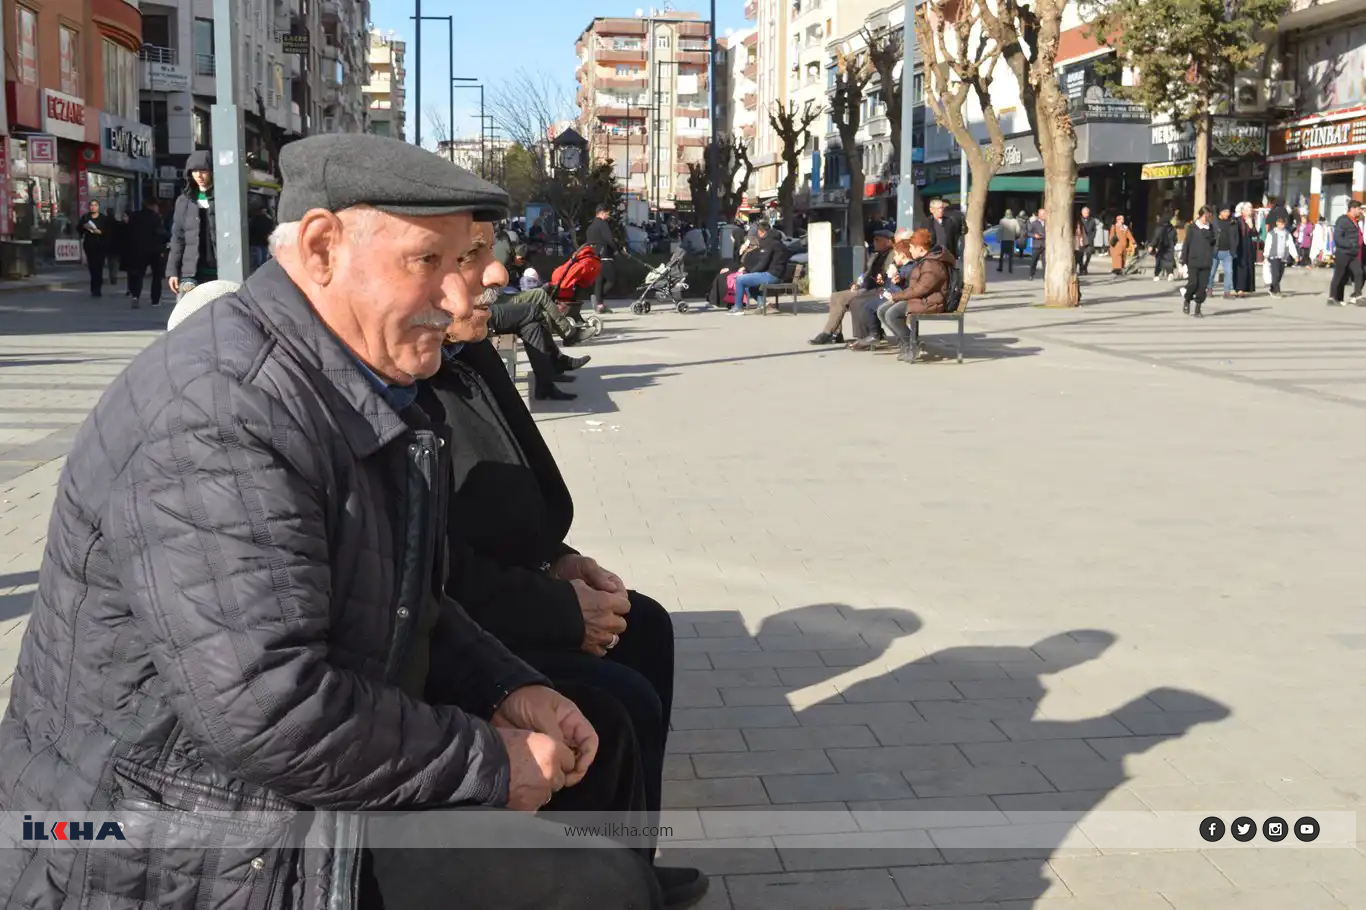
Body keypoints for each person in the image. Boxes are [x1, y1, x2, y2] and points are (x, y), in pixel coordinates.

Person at [0, 133, 667, 910]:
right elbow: (268, 709)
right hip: (152, 832)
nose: (462, 298)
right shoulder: (222, 410)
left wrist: (508, 688)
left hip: (255, 791)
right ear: (321, 248)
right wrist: (489, 762)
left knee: (593, 808)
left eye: (472, 260)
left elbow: (407, 594)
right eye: (433, 262)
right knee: (589, 885)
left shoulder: (354, 381)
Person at [431, 263, 708, 909]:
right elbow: (435, 572)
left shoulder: (467, 352)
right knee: (614, 703)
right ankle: (603, 878)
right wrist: (560, 614)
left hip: (499, 590)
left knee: (645, 625)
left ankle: (632, 864)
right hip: (466, 615)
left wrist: (561, 561)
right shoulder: (391, 389)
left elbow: (509, 501)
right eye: (466, 254)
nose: (496, 272)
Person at [879, 230, 956, 362]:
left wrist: (897, 296)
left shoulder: (932, 264)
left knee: (891, 314)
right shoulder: (925, 260)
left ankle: (913, 344)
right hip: (922, 299)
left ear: (920, 248)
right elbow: (917, 284)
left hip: (930, 302)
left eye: (911, 247)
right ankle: (906, 343)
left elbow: (921, 289)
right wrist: (901, 281)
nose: (910, 250)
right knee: (882, 310)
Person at [809, 229, 894, 344]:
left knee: (842, 298)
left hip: (876, 290)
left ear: (888, 242)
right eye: (874, 240)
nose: (874, 242)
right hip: (865, 287)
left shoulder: (891, 255)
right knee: (835, 296)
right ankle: (835, 333)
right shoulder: (875, 255)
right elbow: (865, 273)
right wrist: (856, 283)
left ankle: (829, 333)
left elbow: (886, 276)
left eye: (878, 240)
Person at [167, 148, 218, 299]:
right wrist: (172, 272)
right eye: (194, 171)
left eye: (203, 170)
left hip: (220, 270)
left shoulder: (224, 196)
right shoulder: (184, 200)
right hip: (191, 272)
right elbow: (177, 237)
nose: (199, 176)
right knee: (188, 317)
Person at [731, 221, 790, 315]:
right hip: (777, 274)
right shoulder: (778, 243)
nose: (758, 235)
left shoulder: (769, 243)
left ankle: (738, 308)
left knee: (740, 279)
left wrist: (750, 272)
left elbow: (763, 262)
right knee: (749, 283)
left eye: (758, 233)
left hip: (772, 275)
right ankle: (762, 304)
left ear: (762, 232)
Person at [124, 199, 170, 308]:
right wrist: (167, 238)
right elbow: (160, 232)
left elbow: (129, 233)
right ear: (153, 206)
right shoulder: (155, 217)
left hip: (139, 250)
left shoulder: (135, 216)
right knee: (156, 276)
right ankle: (155, 300)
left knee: (138, 275)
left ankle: (135, 296)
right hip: (155, 250)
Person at [1181, 206, 1217, 318]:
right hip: (1193, 260)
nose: (1206, 219)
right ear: (1200, 215)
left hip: (1206, 261)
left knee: (1202, 287)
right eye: (1204, 216)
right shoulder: (1192, 227)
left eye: (1208, 216)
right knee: (1193, 284)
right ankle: (1187, 299)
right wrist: (1183, 259)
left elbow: (1214, 242)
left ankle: (1198, 309)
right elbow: (1186, 243)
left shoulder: (1211, 228)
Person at [1329, 199, 1364, 306]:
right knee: (1339, 275)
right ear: (1352, 209)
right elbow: (1337, 237)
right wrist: (1350, 245)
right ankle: (1332, 298)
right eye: (1359, 209)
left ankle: (1357, 296)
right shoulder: (1343, 220)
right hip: (1343, 253)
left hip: (1353, 254)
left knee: (1359, 273)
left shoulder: (1354, 220)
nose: (1360, 211)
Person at [587, 204, 617, 313]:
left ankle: (599, 305)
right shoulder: (603, 224)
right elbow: (609, 239)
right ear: (602, 213)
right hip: (605, 256)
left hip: (594, 257)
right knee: (611, 280)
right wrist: (616, 249)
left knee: (598, 281)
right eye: (607, 214)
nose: (608, 216)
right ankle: (598, 299)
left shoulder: (590, 226)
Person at [77, 199, 111, 297]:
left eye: (95, 205)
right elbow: (79, 229)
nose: (93, 207)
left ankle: (98, 288)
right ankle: (93, 287)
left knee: (99, 267)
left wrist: (100, 232)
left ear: (98, 207)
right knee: (92, 267)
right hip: (89, 245)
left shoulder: (103, 218)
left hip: (101, 245)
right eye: (91, 205)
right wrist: (84, 227)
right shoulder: (85, 217)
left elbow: (108, 232)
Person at [1264, 214, 1298, 298]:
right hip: (1273, 256)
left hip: (1283, 257)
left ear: (1285, 224)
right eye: (1279, 223)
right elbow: (1268, 244)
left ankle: (1272, 288)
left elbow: (1291, 245)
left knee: (1280, 274)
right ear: (1276, 223)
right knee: (1275, 274)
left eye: (1282, 223)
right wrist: (1266, 255)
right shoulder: (1272, 233)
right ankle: (1276, 291)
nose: (1281, 225)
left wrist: (1295, 255)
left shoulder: (1287, 234)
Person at [1231, 202, 1258, 297]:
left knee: (1247, 266)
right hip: (1239, 245)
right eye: (1247, 209)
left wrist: (1251, 225)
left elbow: (1255, 235)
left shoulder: (1252, 220)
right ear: (1243, 211)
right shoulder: (1237, 220)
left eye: (1250, 209)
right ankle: (1237, 288)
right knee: (1238, 267)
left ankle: (1244, 288)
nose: (1250, 211)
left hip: (1248, 245)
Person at [929, 197, 964, 262]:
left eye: (942, 208)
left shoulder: (950, 221)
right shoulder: (926, 223)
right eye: (938, 208)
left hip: (948, 256)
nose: (941, 210)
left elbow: (955, 237)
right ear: (932, 210)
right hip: (933, 257)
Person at [248, 201, 276, 272]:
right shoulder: (266, 219)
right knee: (262, 259)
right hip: (262, 241)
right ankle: (261, 270)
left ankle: (260, 270)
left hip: (259, 242)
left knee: (260, 259)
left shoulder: (255, 219)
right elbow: (271, 226)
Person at [1150, 215, 1178, 281]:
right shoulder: (1173, 228)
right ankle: (1170, 273)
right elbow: (1175, 239)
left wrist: (1152, 245)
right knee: (1169, 260)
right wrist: (1173, 244)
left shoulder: (1159, 228)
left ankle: (1157, 275)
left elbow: (1156, 237)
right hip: (1170, 247)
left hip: (1161, 246)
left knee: (1159, 261)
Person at [1076, 206, 1102, 275]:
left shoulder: (1092, 220)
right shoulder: (1079, 220)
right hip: (1082, 240)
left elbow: (1094, 230)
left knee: (1089, 254)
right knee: (1080, 255)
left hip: (1089, 240)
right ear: (1082, 213)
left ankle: (1085, 266)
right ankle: (1081, 268)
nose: (1086, 214)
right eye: (1085, 213)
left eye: (1087, 213)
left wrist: (1092, 237)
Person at [1027, 208, 1046, 279]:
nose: (1045, 215)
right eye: (1043, 214)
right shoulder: (1034, 223)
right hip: (1036, 244)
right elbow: (1028, 233)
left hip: (1045, 244)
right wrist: (1034, 235)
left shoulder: (1048, 223)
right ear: (1039, 215)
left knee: (1045, 262)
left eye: (1045, 214)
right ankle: (1031, 274)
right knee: (1034, 260)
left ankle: (1045, 276)